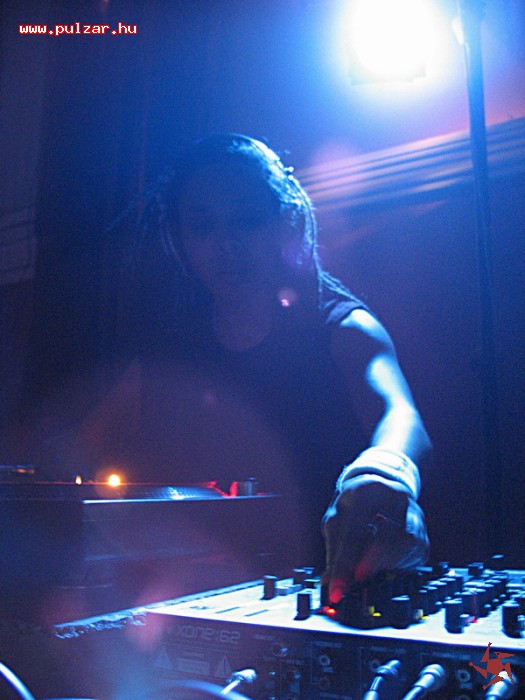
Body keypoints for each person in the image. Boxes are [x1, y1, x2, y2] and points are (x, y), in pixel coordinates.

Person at [36, 133, 432, 604]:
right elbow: (84, 440)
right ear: (181, 241)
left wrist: (385, 472)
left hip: (329, 585)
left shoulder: (344, 328)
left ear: (285, 221)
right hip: (203, 594)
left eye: (246, 220)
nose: (225, 244)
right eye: (203, 227)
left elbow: (401, 416)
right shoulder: (176, 347)